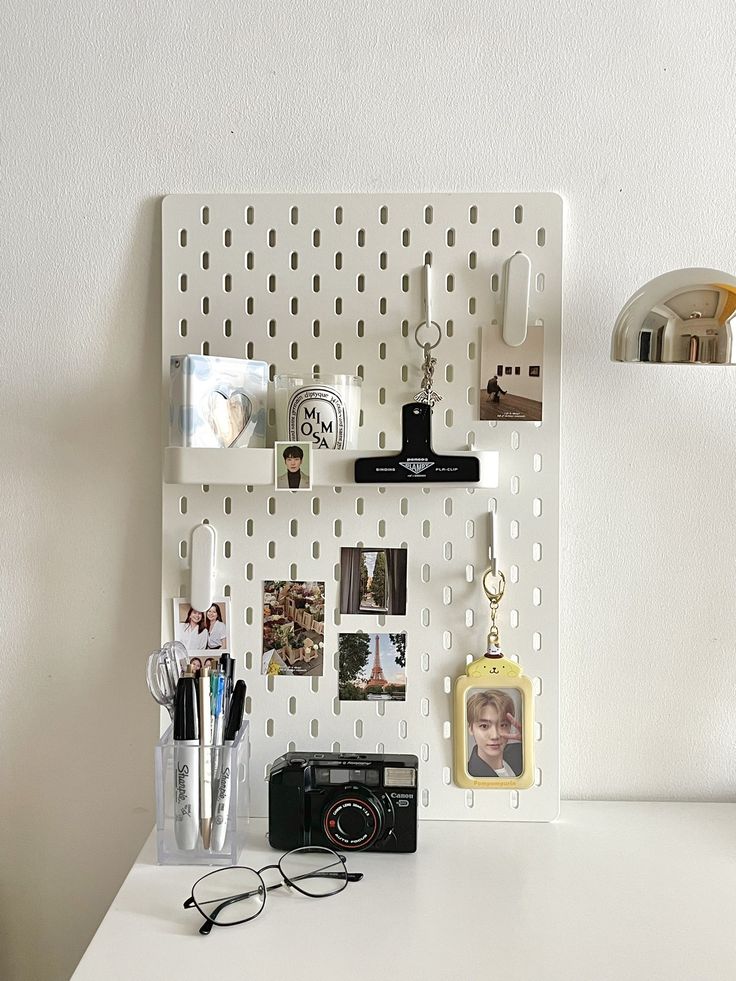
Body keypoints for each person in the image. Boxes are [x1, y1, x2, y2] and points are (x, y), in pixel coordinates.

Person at [466, 689, 522, 777]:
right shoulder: (468, 773)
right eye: (484, 726)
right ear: (470, 728)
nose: (495, 736)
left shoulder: (520, 752)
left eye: (503, 725)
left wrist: (530, 741)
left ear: (510, 726)